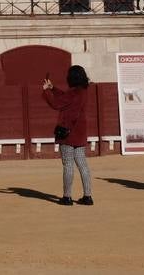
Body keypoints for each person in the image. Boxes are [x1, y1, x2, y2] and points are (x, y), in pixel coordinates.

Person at [41, 65, 93, 207]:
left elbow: (57, 104)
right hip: (80, 131)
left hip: (68, 132)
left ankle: (67, 197)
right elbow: (65, 98)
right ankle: (88, 196)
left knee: (68, 164)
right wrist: (53, 88)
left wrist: (46, 92)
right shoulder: (83, 91)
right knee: (82, 164)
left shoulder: (73, 93)